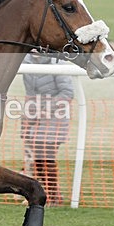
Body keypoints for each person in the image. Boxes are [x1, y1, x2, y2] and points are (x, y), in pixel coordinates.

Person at [21, 52, 75, 206]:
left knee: (47, 157)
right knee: (37, 159)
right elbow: (30, 93)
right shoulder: (26, 61)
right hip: (35, 116)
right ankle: (46, 195)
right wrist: (29, 115)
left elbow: (68, 93)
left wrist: (44, 109)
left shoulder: (58, 63)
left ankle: (54, 196)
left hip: (55, 118)